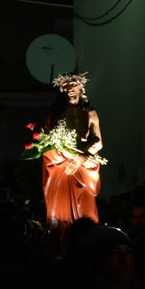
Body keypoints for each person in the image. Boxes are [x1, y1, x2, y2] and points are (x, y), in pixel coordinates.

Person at [42, 72, 103, 230]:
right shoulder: (56, 113)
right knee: (62, 211)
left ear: (80, 88)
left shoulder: (90, 112)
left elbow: (98, 142)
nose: (69, 88)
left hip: (84, 166)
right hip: (62, 165)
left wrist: (82, 156)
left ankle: (87, 236)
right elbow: (53, 142)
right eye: (66, 86)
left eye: (73, 85)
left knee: (86, 210)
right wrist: (76, 156)